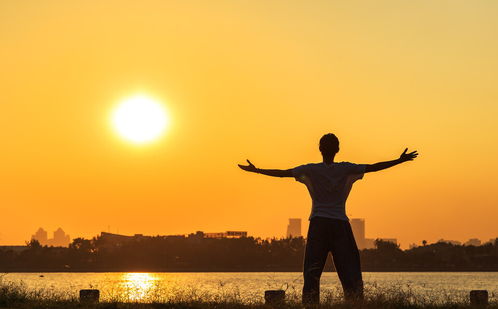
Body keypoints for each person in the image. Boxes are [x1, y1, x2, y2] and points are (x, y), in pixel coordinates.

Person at [238, 133, 418, 304]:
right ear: (337, 149)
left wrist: (257, 170)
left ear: (319, 149)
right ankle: (354, 303)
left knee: (312, 271)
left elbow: (283, 173)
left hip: (318, 224)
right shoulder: (345, 168)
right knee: (350, 270)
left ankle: (310, 304)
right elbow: (373, 167)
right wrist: (399, 160)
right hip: (339, 224)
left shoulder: (311, 170)